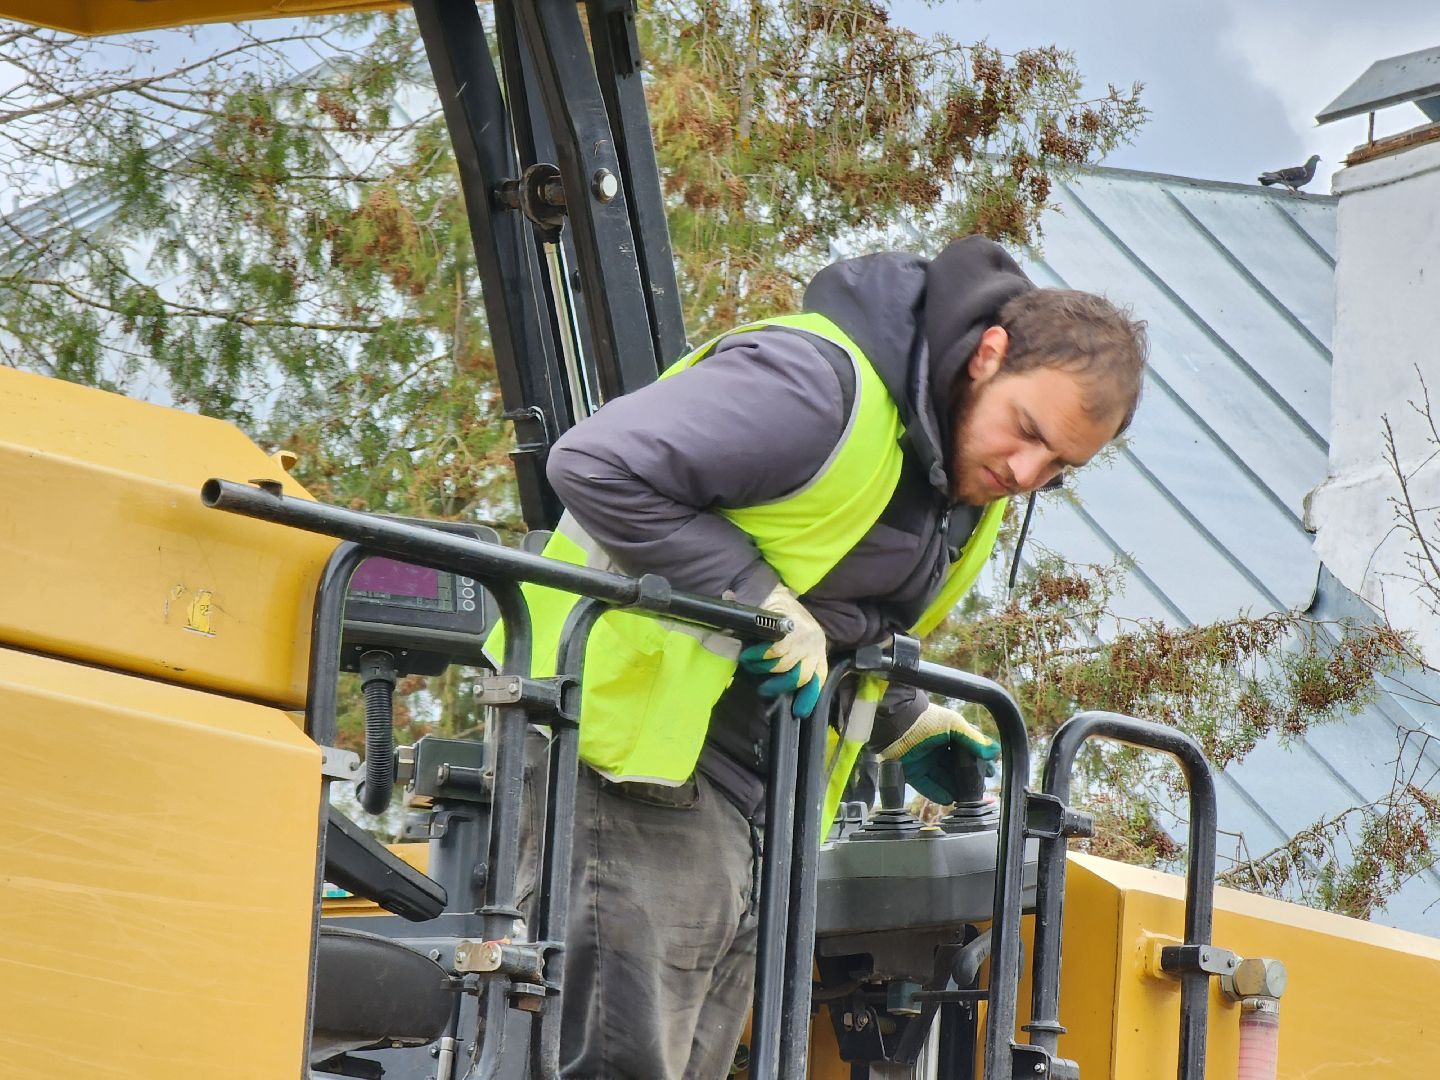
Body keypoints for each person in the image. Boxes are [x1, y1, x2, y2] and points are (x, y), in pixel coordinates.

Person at [517, 234, 1147, 1079]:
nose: (1026, 471)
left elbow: (843, 612)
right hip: (619, 755)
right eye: (1026, 431)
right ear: (988, 356)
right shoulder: (815, 388)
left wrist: (897, 715)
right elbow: (593, 463)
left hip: (755, 794)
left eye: (1058, 466)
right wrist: (753, 597)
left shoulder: (960, 477)